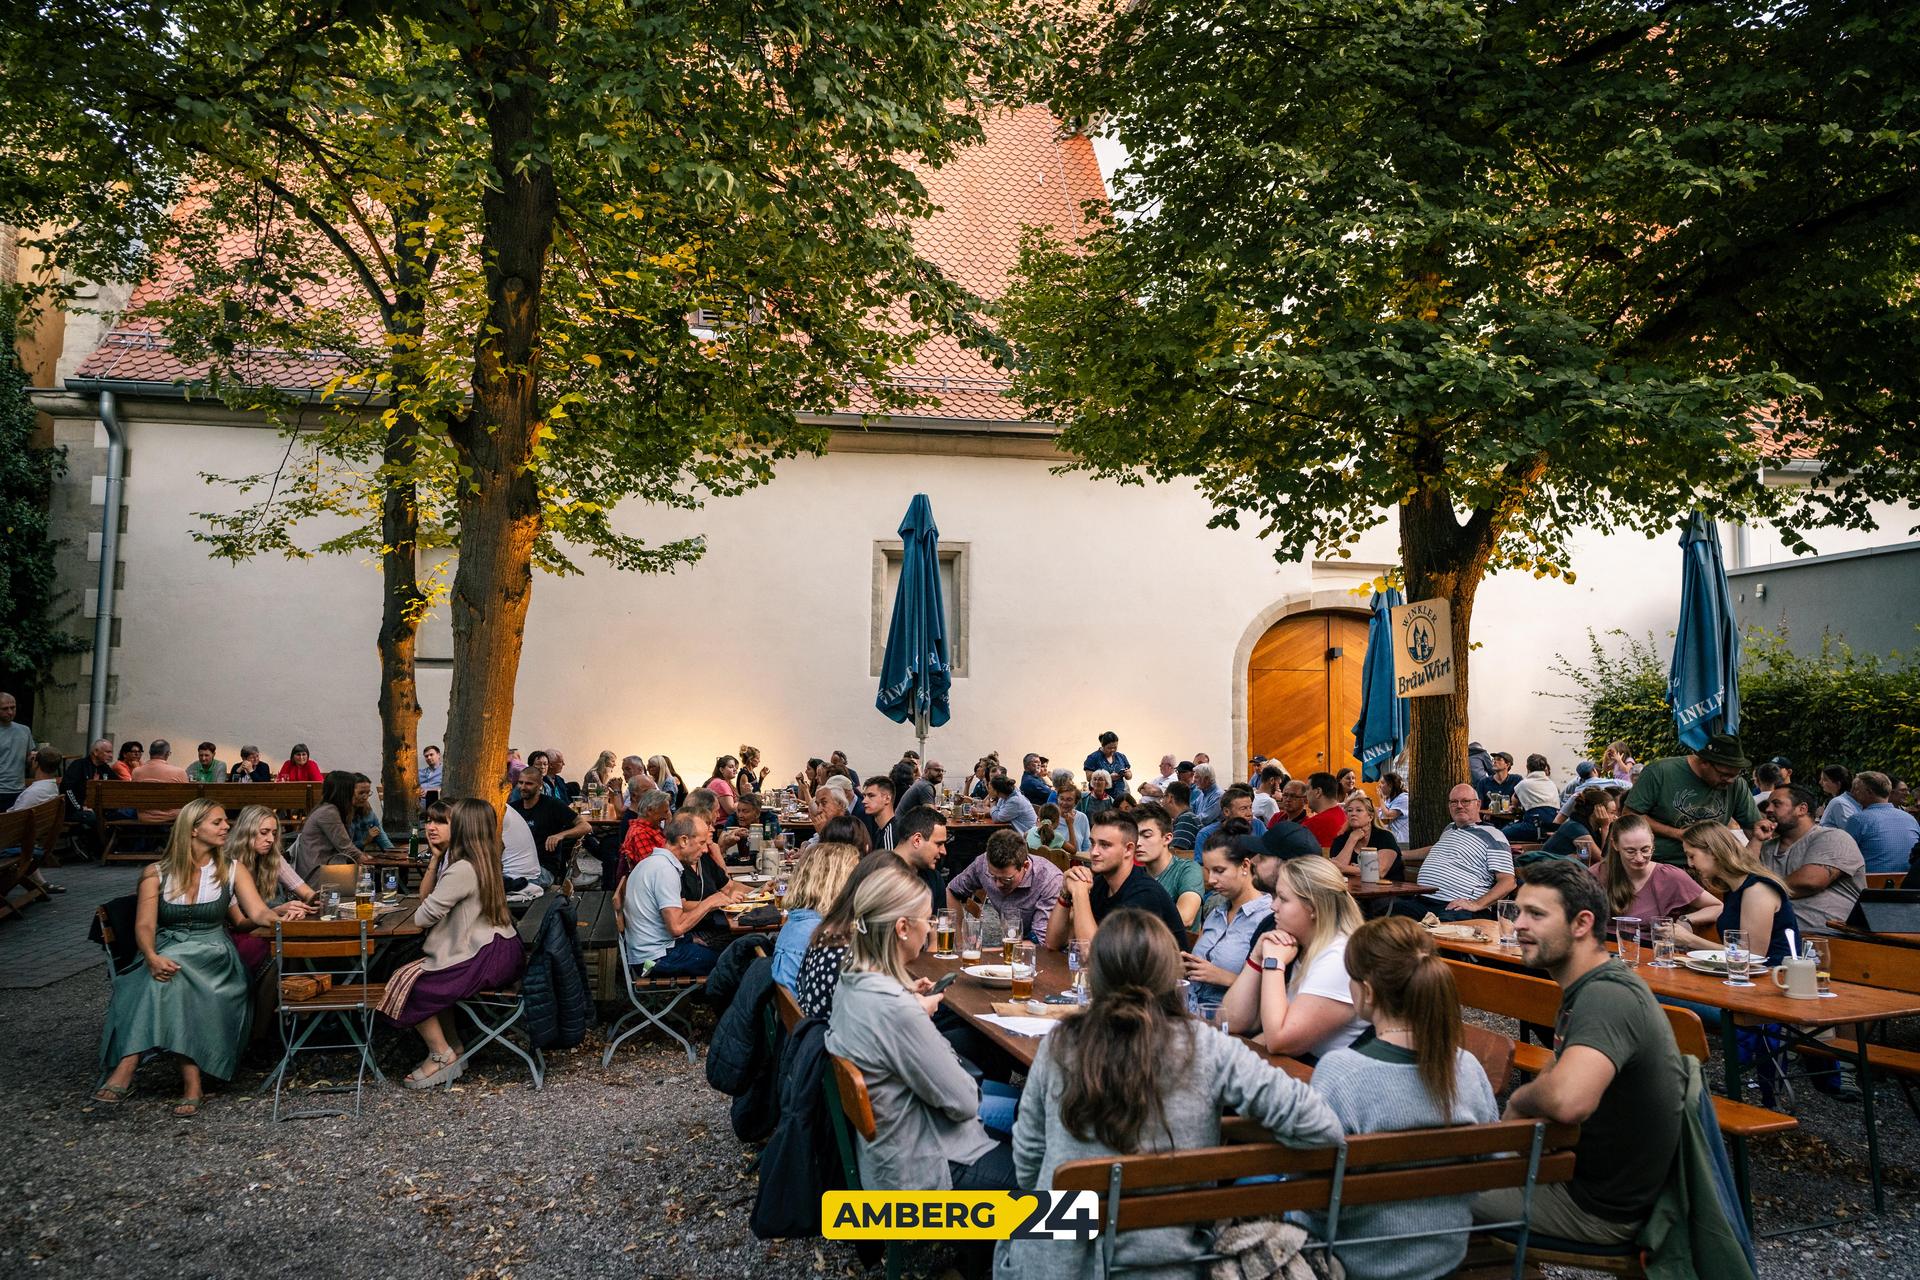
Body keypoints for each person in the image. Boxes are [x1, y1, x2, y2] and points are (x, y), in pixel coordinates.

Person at [998, 909, 1342, 1280]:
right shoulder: (1206, 1048)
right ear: (1169, 976)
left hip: (1053, 1261)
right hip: (1166, 1262)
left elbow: (1029, 1159)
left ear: (1096, 972)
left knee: (978, 1215)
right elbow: (1320, 1126)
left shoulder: (1061, 1043)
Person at [1474, 859, 1686, 1246]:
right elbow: (1558, 1075)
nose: (1518, 924)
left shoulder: (1608, 996)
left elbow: (1569, 1100)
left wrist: (1521, 1098)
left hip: (1595, 1207)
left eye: (1536, 914)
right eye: (1519, 911)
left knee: (1412, 1190)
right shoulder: (1586, 985)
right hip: (1570, 1172)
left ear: (1582, 924)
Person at [1310, 916, 1499, 1280]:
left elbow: (1312, 1197)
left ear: (1367, 991)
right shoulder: (1467, 1067)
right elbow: (1491, 1167)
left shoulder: (1340, 1073)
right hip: (1446, 1256)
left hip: (1358, 1263)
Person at [93, 800, 284, 1115]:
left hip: (215, 956)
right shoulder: (155, 873)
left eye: (226, 822)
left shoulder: (232, 868)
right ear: (194, 829)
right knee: (170, 974)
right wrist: (151, 956)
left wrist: (282, 919)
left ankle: (126, 1068)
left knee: (168, 976)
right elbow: (145, 925)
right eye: (218, 822)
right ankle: (191, 1081)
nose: (226, 827)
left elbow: (258, 911)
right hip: (169, 950)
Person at [377, 798, 527, 1088]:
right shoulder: (484, 860)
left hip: (482, 956)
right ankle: (455, 1046)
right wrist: (435, 859)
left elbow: (422, 916)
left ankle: (440, 1053)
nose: (440, 825)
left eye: (451, 820)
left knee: (413, 986)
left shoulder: (462, 869)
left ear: (463, 827)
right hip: (502, 950)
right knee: (425, 977)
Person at [1220, 855, 1368, 1061]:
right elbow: (1232, 1019)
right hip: (1303, 1071)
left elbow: (1279, 1040)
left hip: (1331, 1082)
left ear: (1314, 908)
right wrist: (1257, 956)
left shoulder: (1339, 958)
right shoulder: (1296, 944)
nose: (1273, 907)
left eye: (1283, 899)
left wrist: (1273, 963)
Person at [619, 811, 748, 977]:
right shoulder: (665, 871)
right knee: (735, 963)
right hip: (651, 963)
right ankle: (717, 1001)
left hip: (651, 953)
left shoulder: (654, 862)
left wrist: (686, 940)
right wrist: (710, 902)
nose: (704, 849)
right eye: (701, 843)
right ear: (684, 840)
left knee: (727, 950)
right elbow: (676, 927)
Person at [1047, 810, 1188, 953]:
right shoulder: (1100, 883)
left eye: (1105, 845)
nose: (1094, 852)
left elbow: (1095, 957)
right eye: (1092, 843)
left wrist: (1079, 892)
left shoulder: (1145, 894)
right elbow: (1053, 943)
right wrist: (1065, 893)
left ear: (1128, 849)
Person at [794, 852, 912, 1018]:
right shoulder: (850, 957)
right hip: (837, 1039)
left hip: (817, 1033)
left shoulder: (830, 932)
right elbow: (879, 1022)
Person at [1623, 732, 1760, 866]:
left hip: (1711, 868)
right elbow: (1630, 815)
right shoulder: (1660, 772)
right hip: (1661, 864)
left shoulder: (1737, 784)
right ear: (1704, 762)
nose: (1730, 781)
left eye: (1735, 775)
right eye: (1724, 774)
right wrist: (1679, 834)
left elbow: (1753, 828)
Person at [1674, 821, 1798, 964]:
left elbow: (1752, 956)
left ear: (1713, 852)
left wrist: (1690, 940)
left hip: (1776, 978)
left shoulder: (1757, 889)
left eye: (1692, 856)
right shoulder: (1733, 887)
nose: (1690, 864)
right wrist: (1687, 919)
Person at [1390, 785, 1516, 922]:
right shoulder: (1449, 829)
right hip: (1422, 900)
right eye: (1454, 802)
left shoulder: (1493, 835)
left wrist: (1477, 904)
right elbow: (1436, 849)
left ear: (1478, 804)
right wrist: (1399, 854)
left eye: (1465, 801)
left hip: (1455, 907)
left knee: (1442, 929)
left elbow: (1508, 881)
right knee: (1390, 919)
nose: (1459, 806)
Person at [1760, 783, 1866, 936]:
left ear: (1802, 809)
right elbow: (1738, 879)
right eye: (1768, 805)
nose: (1768, 810)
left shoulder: (1833, 837)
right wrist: (1756, 840)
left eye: (1776, 804)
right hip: (1780, 936)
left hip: (1831, 936)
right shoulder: (1766, 847)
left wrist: (1757, 891)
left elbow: (1811, 881)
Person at [1181, 832, 1269, 1008]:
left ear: (1245, 865)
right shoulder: (1217, 912)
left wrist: (1223, 977)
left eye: (1219, 871)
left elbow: (1274, 990)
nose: (1211, 880)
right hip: (1191, 1010)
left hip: (1231, 1018)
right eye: (1208, 871)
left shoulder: (1268, 917)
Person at [224, 804, 315, 973]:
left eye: (274, 833)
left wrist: (303, 908)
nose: (271, 840)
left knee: (300, 943)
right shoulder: (227, 864)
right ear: (246, 832)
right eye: (264, 832)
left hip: (270, 927)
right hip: (238, 934)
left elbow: (307, 892)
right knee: (282, 947)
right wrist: (279, 911)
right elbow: (239, 924)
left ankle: (292, 992)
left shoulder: (272, 857)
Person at [1592, 813, 1720, 931]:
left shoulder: (1669, 875)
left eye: (1645, 850)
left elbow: (1718, 907)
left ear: (1653, 841)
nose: (1639, 858)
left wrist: (1685, 919)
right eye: (1630, 851)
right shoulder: (1596, 874)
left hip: (1650, 948)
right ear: (1615, 845)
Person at [770, 841, 862, 989]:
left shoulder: (797, 920)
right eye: (855, 877)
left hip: (793, 1009)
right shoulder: (824, 936)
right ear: (837, 883)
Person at [946, 829, 1065, 943]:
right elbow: (952, 890)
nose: (997, 884)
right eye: (992, 876)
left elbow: (1042, 942)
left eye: (1007, 879)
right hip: (1012, 942)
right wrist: (960, 942)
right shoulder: (982, 863)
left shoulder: (1049, 881)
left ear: (1025, 866)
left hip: (1052, 954)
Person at [509, 766, 591, 881]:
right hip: (516, 867)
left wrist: (560, 835)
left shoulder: (552, 805)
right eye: (520, 783)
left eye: (529, 784)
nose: (523, 787)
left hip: (544, 869)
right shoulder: (513, 808)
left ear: (540, 785)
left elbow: (585, 826)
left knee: (514, 885)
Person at [6, 747, 68, 895]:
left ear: (36, 764)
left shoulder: (33, 793)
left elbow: (12, 824)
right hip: (32, 841)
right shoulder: (52, 788)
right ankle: (40, 881)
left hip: (14, 842)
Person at [1134, 802, 1203, 929]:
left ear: (1167, 838)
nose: (1137, 842)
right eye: (1134, 836)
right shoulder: (1135, 874)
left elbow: (1185, 918)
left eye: (1146, 835)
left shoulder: (1188, 870)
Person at [290, 771, 361, 880]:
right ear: (345, 792)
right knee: (369, 877)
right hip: (318, 876)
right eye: (354, 789)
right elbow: (346, 847)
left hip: (324, 870)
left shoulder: (328, 809)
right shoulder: (328, 813)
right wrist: (369, 860)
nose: (357, 794)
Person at [1845, 771, 1920, 873]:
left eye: (1856, 790)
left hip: (1872, 884)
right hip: (1907, 883)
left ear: (1869, 792)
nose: (1852, 793)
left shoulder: (1858, 820)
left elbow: (1844, 857)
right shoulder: (1910, 819)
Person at [1327, 792, 1404, 883]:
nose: (1353, 814)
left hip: (1388, 891)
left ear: (1370, 817)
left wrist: (1346, 869)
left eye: (1359, 810)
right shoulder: (1341, 839)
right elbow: (1335, 871)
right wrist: (1352, 839)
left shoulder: (1385, 837)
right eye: (1350, 810)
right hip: (1353, 891)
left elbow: (1378, 872)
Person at [62, 737, 116, 857]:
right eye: (108, 752)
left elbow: (116, 785)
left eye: (111, 752)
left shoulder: (104, 768)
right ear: (96, 752)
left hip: (97, 808)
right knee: (94, 818)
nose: (111, 755)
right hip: (73, 810)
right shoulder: (79, 765)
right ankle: (100, 851)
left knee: (116, 815)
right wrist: (80, 807)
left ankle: (111, 849)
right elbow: (67, 788)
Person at [1541, 786, 1619, 863]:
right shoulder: (1576, 829)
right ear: (1597, 812)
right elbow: (1603, 860)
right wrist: (1605, 827)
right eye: (1612, 812)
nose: (1615, 817)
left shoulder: (1589, 827)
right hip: (1549, 871)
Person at [894, 805, 950, 911]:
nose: (944, 851)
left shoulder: (934, 879)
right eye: (939, 844)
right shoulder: (878, 874)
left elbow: (942, 923)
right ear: (917, 840)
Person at [1190, 782, 1266, 857]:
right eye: (1243, 809)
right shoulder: (1206, 835)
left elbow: (1269, 853)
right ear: (1226, 812)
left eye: (1250, 807)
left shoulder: (1258, 825)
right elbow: (1201, 867)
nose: (1250, 813)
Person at [131, 739, 192, 823]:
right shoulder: (179, 772)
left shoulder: (136, 772)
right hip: (171, 818)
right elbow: (187, 798)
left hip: (144, 818)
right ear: (167, 754)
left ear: (149, 753)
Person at [1297, 771, 1348, 850]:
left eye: (1307, 789)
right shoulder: (1343, 815)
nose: (1304, 794)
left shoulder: (1313, 824)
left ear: (1318, 792)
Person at [0, 692, 31, 809]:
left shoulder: (24, 730)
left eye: (13, 707)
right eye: (5, 709)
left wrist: (34, 758)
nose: (10, 712)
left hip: (19, 790)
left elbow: (28, 757)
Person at [349, 774, 395, 852]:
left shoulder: (368, 812)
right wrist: (365, 841)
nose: (365, 797)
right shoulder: (340, 814)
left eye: (368, 793)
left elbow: (384, 840)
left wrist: (395, 854)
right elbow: (344, 848)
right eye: (361, 793)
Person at [860, 774, 899, 851]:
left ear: (887, 799)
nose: (864, 801)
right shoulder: (881, 830)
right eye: (864, 796)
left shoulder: (890, 833)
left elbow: (889, 863)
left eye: (871, 796)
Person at [1164, 780, 1203, 854]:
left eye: (1164, 797)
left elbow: (1175, 853)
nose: (1162, 802)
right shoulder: (1187, 817)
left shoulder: (1186, 819)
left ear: (1170, 798)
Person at [1817, 764, 1859, 830]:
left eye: (1825, 780)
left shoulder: (1838, 802)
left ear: (1838, 784)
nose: (1820, 782)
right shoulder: (1849, 799)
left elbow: (1850, 830)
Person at [704, 755, 740, 819]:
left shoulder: (719, 781)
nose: (735, 769)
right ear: (722, 769)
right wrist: (745, 799)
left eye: (735, 767)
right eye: (731, 767)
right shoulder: (720, 784)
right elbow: (731, 810)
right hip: (722, 824)